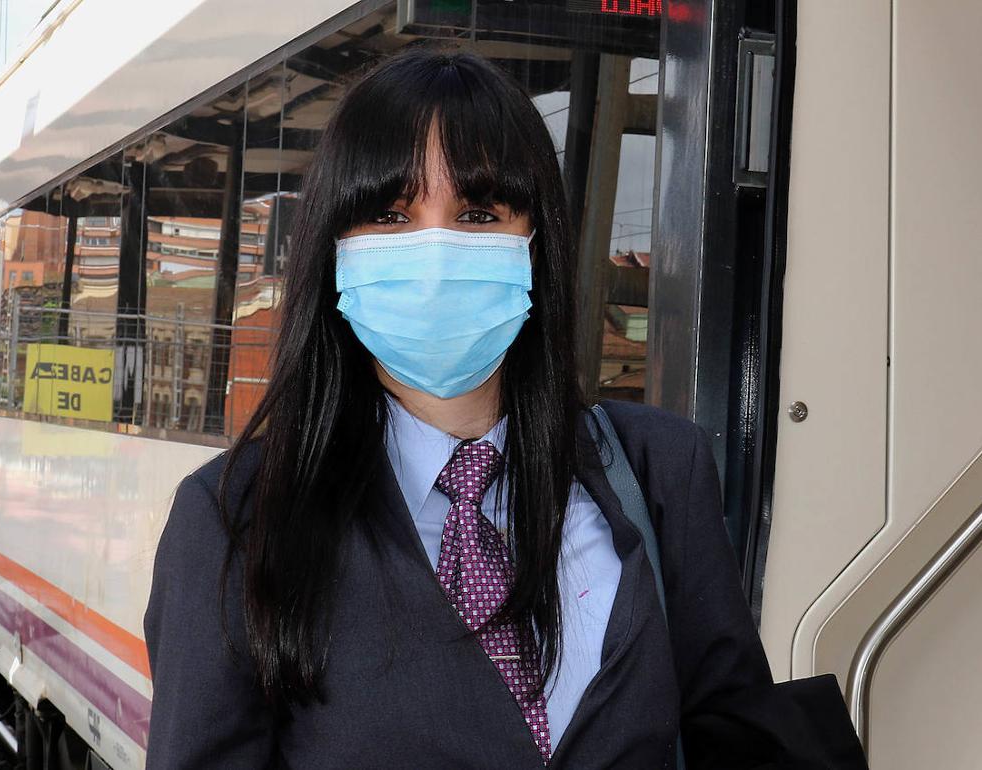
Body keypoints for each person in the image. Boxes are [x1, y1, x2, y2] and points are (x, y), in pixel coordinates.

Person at [144, 48, 837, 769]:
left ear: (536, 245)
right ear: (334, 249)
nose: (437, 252)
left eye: (478, 213)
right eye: (389, 214)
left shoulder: (658, 470)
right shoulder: (237, 519)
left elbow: (739, 739)